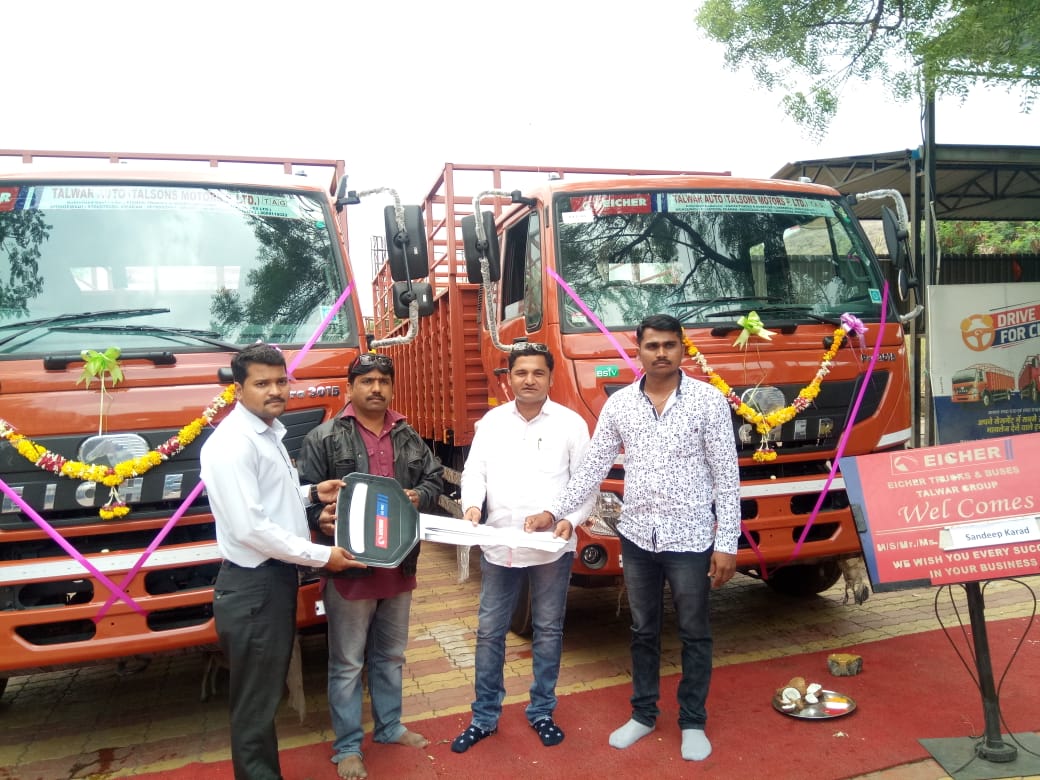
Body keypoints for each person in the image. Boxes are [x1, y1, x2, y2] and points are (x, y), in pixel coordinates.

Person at [527, 313, 740, 762]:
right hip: (639, 537)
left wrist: (727, 543)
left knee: (694, 631)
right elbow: (593, 466)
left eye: (669, 345)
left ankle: (692, 721)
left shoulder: (708, 402)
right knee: (643, 630)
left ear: (682, 349)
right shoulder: (620, 405)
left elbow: (727, 477)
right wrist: (556, 511)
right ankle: (643, 714)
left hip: (690, 537)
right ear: (638, 351)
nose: (661, 353)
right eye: (652, 346)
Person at [200, 343, 363, 780]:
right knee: (256, 704)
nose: (275, 391)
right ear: (238, 390)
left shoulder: (267, 433)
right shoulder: (232, 445)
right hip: (254, 586)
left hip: (271, 582)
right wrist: (323, 556)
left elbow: (270, 499)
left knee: (263, 695)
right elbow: (251, 529)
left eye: (280, 381)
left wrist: (311, 492)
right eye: (262, 383)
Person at [297, 352, 443, 780]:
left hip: (399, 566)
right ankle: (347, 747)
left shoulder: (408, 435)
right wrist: (318, 519)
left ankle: (389, 726)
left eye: (383, 380)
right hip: (349, 569)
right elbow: (303, 495)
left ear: (392, 387)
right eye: (367, 381)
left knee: (391, 655)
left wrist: (420, 496)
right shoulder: (324, 437)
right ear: (350, 388)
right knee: (347, 663)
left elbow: (434, 479)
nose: (376, 388)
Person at [450, 342, 594, 754]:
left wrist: (567, 518)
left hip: (550, 547)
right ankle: (484, 717)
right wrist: (472, 505)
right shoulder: (491, 423)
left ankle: (542, 711)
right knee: (489, 631)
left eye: (538, 373)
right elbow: (474, 472)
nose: (529, 380)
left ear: (550, 378)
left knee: (548, 630)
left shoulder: (570, 424)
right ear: (508, 378)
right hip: (499, 544)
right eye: (521, 373)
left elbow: (585, 484)